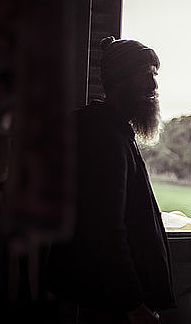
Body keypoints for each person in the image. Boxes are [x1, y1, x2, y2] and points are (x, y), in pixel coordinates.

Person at [47, 37, 174, 323]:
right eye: (145, 75)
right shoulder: (103, 137)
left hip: (108, 296)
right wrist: (133, 305)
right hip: (107, 302)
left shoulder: (113, 131)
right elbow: (105, 231)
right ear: (119, 81)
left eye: (155, 75)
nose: (154, 87)